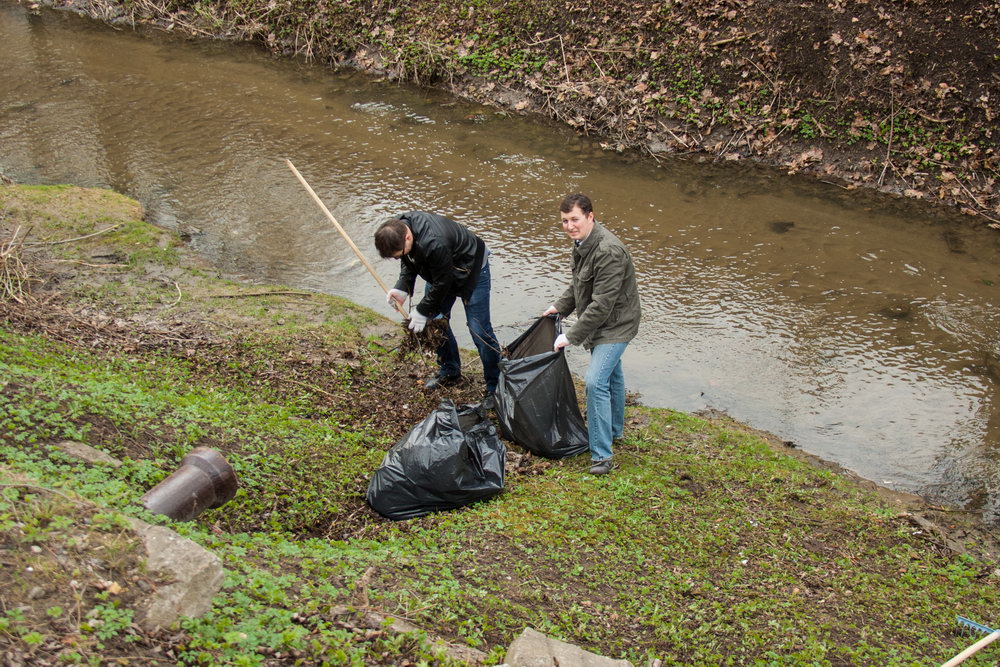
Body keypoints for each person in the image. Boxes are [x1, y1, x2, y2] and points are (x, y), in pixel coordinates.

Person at [542, 194, 641, 475]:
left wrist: (570, 336)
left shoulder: (608, 251)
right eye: (564, 221)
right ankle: (615, 430)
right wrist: (558, 308)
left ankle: (601, 455)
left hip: (617, 325)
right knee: (613, 375)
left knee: (596, 382)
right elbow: (578, 286)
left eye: (575, 219)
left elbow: (601, 305)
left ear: (590, 216)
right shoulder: (582, 243)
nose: (570, 226)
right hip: (602, 322)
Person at [375, 211, 500, 403]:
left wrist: (423, 310)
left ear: (407, 237)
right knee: (435, 322)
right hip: (441, 270)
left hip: (472, 269)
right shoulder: (398, 228)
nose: (397, 259)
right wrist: (402, 288)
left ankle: (495, 386)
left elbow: (443, 283)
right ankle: (450, 371)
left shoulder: (434, 242)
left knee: (479, 330)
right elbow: (409, 261)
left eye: (398, 253)